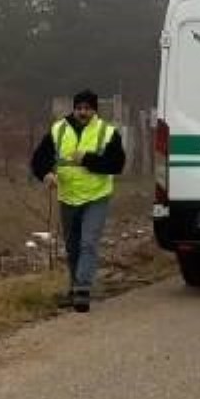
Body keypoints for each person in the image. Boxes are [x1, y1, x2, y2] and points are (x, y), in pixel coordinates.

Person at [29, 90, 126, 313]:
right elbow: (39, 159)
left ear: (94, 110)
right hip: (68, 197)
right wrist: (46, 174)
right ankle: (74, 288)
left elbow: (117, 165)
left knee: (88, 243)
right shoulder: (58, 130)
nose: (83, 112)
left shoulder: (107, 132)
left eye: (87, 108)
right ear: (74, 109)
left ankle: (83, 289)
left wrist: (87, 159)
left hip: (96, 196)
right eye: (79, 108)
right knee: (72, 246)